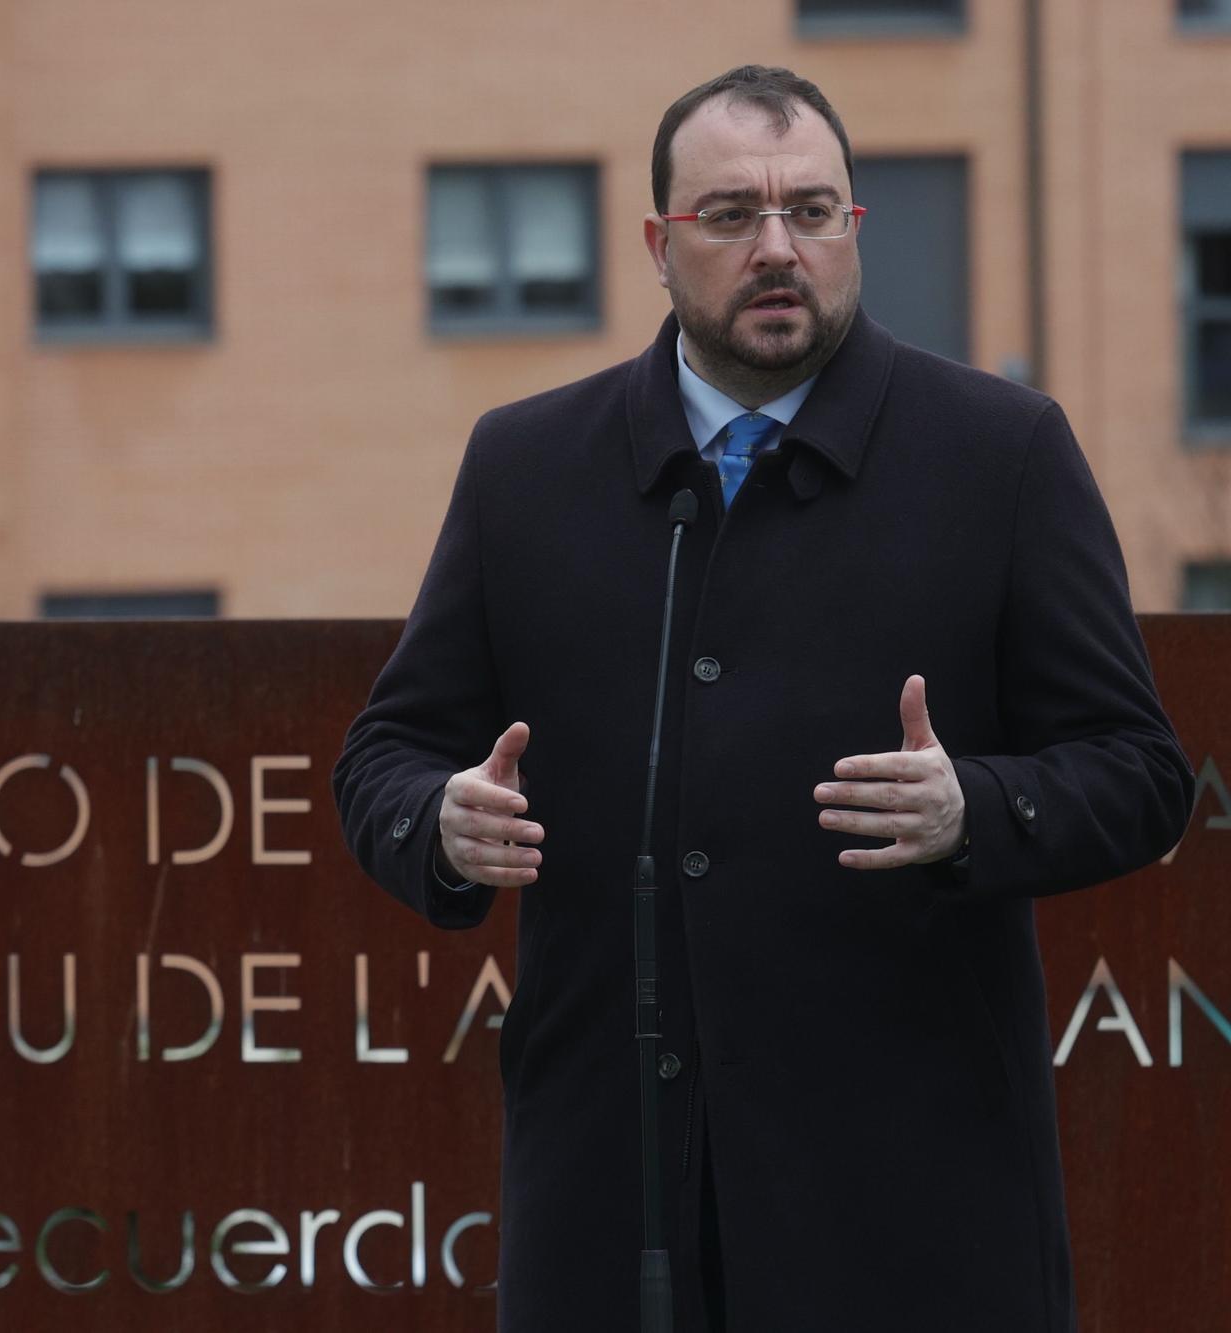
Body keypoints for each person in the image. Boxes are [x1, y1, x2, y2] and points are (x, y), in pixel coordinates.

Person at [331, 65, 1193, 1333]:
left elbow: (1138, 770)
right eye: (730, 215)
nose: (776, 248)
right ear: (657, 244)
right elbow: (384, 753)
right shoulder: (524, 466)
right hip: (613, 1201)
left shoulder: (1000, 453)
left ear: (854, 230)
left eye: (812, 211)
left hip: (909, 1211)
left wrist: (974, 809)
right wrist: (440, 826)